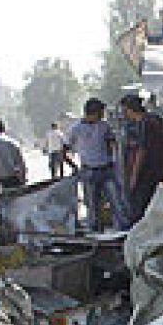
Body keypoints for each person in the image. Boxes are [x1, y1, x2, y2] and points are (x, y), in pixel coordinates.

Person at [67, 97, 130, 231]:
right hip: (89, 171)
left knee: (117, 202)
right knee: (92, 206)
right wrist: (74, 166)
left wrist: (113, 158)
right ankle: (96, 232)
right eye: (100, 113)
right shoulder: (76, 129)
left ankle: (123, 230)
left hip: (106, 169)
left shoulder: (104, 126)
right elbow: (65, 149)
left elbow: (111, 143)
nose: (102, 116)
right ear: (93, 113)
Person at [120, 93, 163, 220]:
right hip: (158, 169)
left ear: (129, 109)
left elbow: (141, 151)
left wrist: (133, 176)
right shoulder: (153, 120)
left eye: (125, 110)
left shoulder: (145, 123)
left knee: (141, 206)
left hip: (146, 172)